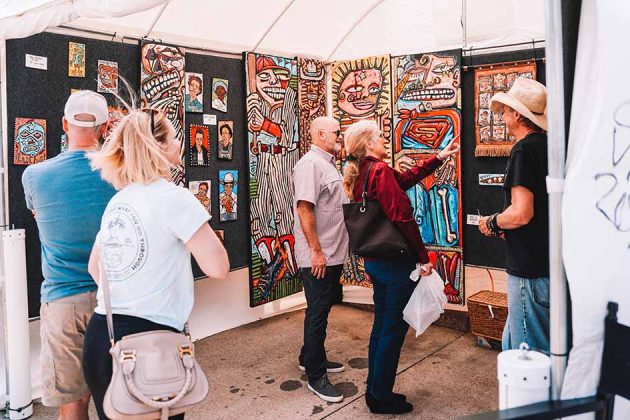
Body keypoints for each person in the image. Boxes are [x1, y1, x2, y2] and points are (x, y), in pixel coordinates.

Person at [83, 108, 229, 420]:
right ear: (159, 146)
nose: (179, 143)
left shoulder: (119, 200)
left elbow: (96, 269)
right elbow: (218, 267)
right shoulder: (174, 198)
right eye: (175, 137)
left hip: (102, 337)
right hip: (150, 345)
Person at [342, 120, 459, 415]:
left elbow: (404, 181)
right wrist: (423, 258)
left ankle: (374, 388)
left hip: (377, 262)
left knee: (382, 325)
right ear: (368, 143)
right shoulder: (378, 170)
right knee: (392, 330)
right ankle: (380, 397)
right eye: (380, 137)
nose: (384, 141)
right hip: (396, 263)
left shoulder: (364, 172)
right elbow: (403, 216)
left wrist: (438, 158)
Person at [22, 90, 117, 420]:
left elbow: (37, 213)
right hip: (116, 300)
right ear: (105, 127)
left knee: (73, 406)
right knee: (118, 401)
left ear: (64, 124)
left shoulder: (34, 176)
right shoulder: (122, 176)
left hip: (63, 301)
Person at [478, 77, 550, 353]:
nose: (503, 117)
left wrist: (491, 222)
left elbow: (521, 213)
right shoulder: (547, 147)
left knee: (527, 356)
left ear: (518, 114)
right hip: (546, 264)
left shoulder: (523, 150)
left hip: (529, 269)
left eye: (506, 111)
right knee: (515, 343)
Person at [292, 116, 348, 403]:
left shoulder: (327, 163)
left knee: (320, 308)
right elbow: (304, 209)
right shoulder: (309, 165)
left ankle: (309, 356)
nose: (341, 136)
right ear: (320, 134)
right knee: (318, 312)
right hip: (319, 254)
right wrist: (315, 250)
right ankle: (316, 375)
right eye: (337, 132)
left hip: (331, 251)